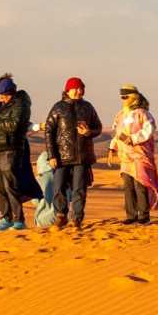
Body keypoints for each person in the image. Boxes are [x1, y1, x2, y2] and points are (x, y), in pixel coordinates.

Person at [0, 74, 40, 232]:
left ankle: (18, 220)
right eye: (1, 94)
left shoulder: (20, 104)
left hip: (11, 149)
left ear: (12, 92)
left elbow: (14, 124)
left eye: (5, 94)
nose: (2, 97)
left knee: (10, 185)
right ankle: (6, 219)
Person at [43, 77, 103, 230]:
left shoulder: (88, 107)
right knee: (58, 187)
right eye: (76, 88)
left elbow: (98, 127)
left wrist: (89, 132)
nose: (79, 91)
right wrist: (51, 155)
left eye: (81, 88)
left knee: (79, 189)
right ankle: (60, 215)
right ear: (67, 90)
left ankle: (76, 219)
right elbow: (49, 131)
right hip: (61, 156)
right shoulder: (58, 107)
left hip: (82, 156)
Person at [109, 83, 158, 224]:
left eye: (125, 97)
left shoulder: (143, 113)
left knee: (140, 184)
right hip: (125, 156)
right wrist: (112, 148)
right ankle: (131, 215)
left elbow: (149, 129)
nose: (123, 99)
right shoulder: (120, 115)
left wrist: (133, 139)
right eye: (121, 97)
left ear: (134, 97)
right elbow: (117, 134)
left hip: (140, 155)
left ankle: (143, 216)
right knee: (128, 186)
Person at [31, 152, 64, 229]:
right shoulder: (63, 178)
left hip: (44, 219)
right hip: (64, 217)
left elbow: (35, 201)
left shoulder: (38, 180)